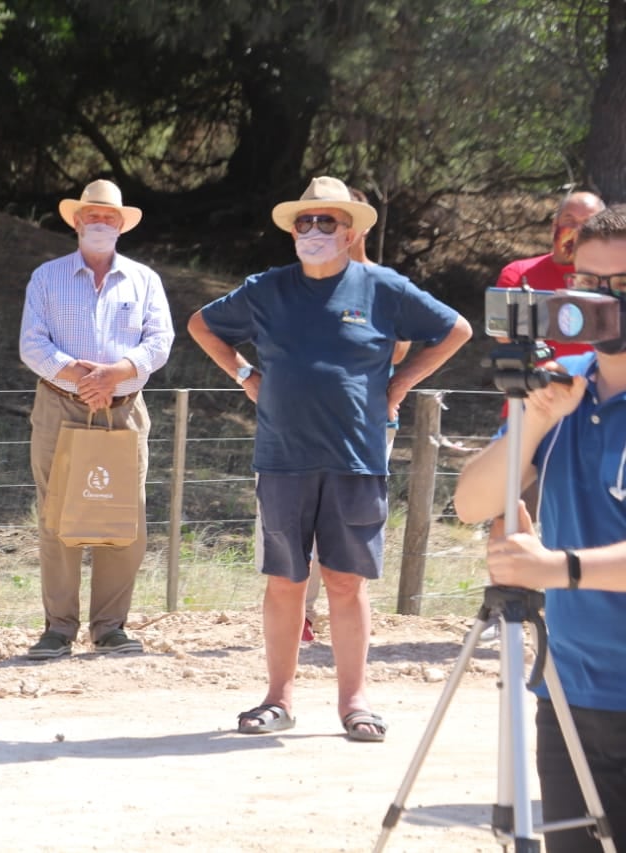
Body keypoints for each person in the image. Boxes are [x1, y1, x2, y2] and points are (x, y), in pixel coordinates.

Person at [188, 176, 471, 741]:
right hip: (282, 457)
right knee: (284, 582)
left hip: (355, 459)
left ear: (350, 233)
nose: (313, 231)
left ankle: (355, 703)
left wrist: (398, 386)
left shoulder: (383, 287)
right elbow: (202, 325)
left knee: (345, 583)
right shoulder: (267, 288)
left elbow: (456, 330)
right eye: (304, 222)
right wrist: (244, 374)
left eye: (326, 222)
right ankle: (278, 699)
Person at [454, 205, 626, 851]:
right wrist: (530, 424)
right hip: (569, 697)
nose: (601, 301)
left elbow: (559, 565)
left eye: (622, 286)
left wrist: (559, 569)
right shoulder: (562, 386)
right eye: (587, 281)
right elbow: (470, 502)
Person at [19, 179, 174, 660]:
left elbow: (159, 341)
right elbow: (32, 343)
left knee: (122, 516)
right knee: (57, 515)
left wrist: (116, 375)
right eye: (92, 215)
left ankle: (110, 627)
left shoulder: (145, 280)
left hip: (125, 410)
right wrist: (83, 377)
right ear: (76, 221)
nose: (100, 222)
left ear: (121, 224)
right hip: (59, 407)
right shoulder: (47, 277)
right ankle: (58, 629)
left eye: (109, 216)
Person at [295, 186, 410, 643]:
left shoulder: (384, 282)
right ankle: (300, 614)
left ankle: (345, 611)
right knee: (299, 517)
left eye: (336, 219)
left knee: (351, 522)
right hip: (303, 422)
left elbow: (402, 348)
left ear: (360, 225)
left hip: (368, 422)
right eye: (313, 219)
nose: (323, 228)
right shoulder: (299, 280)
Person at [495, 190, 604, 359]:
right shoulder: (518, 273)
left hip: (601, 380)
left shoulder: (616, 278)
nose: (578, 230)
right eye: (570, 220)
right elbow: (502, 333)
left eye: (588, 223)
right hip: (540, 380)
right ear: (555, 225)